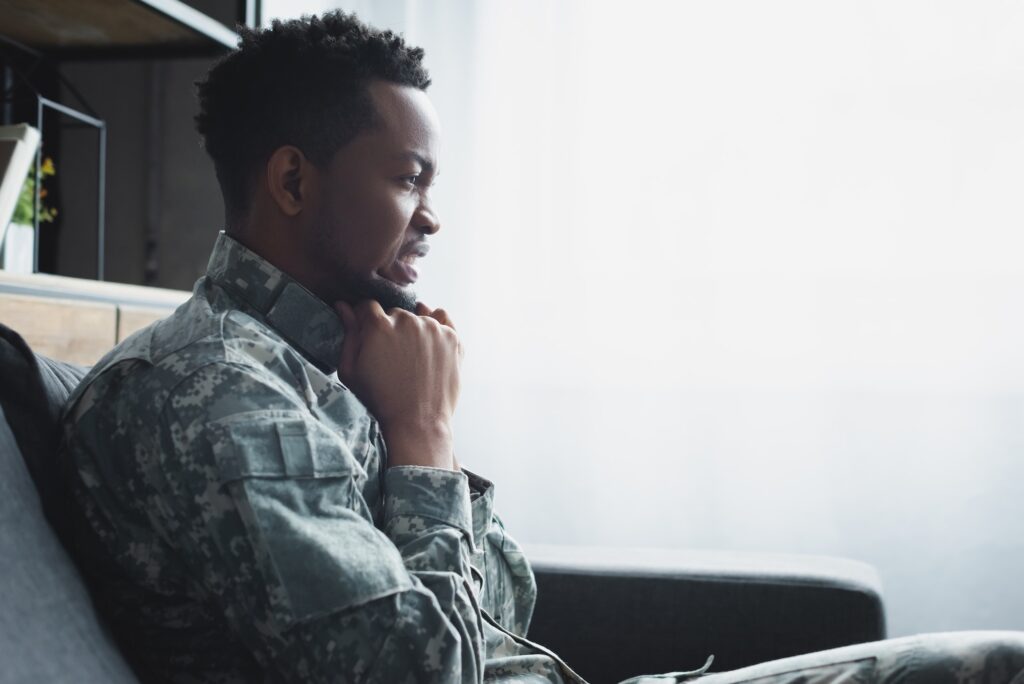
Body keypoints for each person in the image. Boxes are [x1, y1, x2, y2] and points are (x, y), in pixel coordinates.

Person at [60, 11, 1024, 684]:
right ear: (291, 180)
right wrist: (425, 441)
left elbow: (505, 607)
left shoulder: (336, 361)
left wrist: (409, 432)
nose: (431, 218)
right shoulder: (215, 394)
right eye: (408, 180)